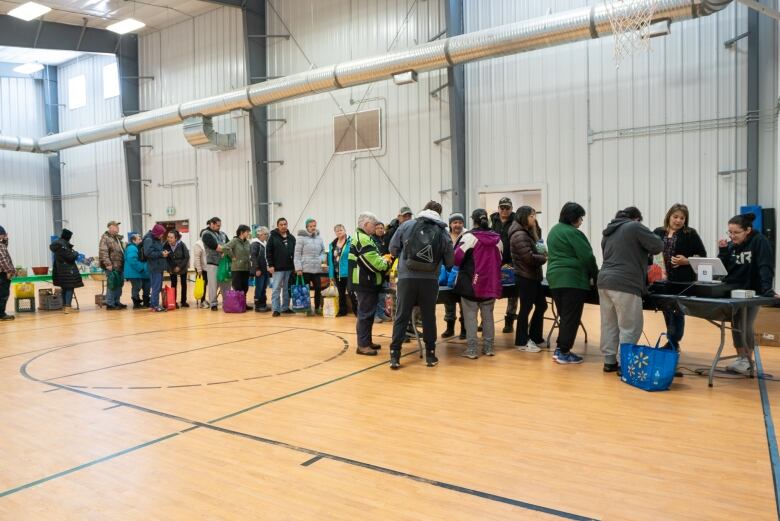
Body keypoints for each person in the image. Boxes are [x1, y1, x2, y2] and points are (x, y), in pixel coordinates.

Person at [388, 200, 454, 369]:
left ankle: (395, 355)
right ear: (439, 214)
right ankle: (430, 355)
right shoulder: (442, 230)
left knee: (402, 315)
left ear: (423, 209)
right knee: (428, 316)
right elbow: (449, 260)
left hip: (406, 277)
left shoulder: (407, 225)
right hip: (430, 280)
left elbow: (393, 248)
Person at [598, 207, 663, 373]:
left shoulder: (608, 232)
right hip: (625, 283)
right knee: (630, 325)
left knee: (609, 324)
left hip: (604, 281)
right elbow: (657, 246)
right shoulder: (634, 226)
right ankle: (625, 363)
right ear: (637, 218)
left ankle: (609, 361)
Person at [719, 213, 778, 374]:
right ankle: (741, 359)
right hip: (733, 292)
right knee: (736, 324)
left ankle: (747, 360)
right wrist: (723, 251)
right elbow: (724, 269)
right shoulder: (732, 245)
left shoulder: (760, 242)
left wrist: (767, 290)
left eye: (736, 232)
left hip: (752, 292)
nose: (732, 236)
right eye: (729, 232)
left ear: (748, 230)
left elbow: (765, 266)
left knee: (745, 324)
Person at [546, 202, 598, 365]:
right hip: (572, 280)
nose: (581, 221)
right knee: (571, 318)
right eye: (580, 217)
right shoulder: (574, 233)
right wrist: (595, 276)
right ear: (574, 218)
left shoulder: (554, 230)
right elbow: (588, 257)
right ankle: (564, 352)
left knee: (564, 316)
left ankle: (559, 349)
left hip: (555, 279)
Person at [653, 204, 707, 350]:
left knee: (678, 310)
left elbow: (702, 255)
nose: (678, 221)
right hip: (661, 279)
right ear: (669, 216)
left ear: (686, 220)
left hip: (681, 280)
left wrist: (686, 261)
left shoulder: (690, 233)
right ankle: (672, 340)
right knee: (666, 309)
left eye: (682, 218)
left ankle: (674, 341)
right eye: (675, 217)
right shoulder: (658, 232)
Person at [453, 209, 502, 358]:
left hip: (471, 283)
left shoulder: (469, 238)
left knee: (470, 316)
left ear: (473, 220)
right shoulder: (497, 239)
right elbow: (501, 259)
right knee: (488, 316)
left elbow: (456, 258)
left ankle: (472, 350)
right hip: (490, 283)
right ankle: (488, 348)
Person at [348, 212, 390, 355]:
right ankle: (363, 345)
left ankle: (367, 341)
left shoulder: (364, 237)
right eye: (374, 224)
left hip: (366, 281)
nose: (376, 227)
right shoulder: (363, 239)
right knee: (365, 314)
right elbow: (375, 264)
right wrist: (387, 262)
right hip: (364, 282)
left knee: (368, 314)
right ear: (366, 225)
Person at [509, 206, 548, 352]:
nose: (534, 218)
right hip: (525, 277)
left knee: (542, 305)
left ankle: (535, 337)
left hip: (533, 276)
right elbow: (528, 257)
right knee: (526, 308)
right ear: (524, 217)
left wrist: (536, 233)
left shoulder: (528, 232)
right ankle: (521, 341)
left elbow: (539, 248)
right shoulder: (519, 234)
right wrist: (543, 258)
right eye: (532, 216)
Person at [491, 197, 518, 333]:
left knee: (513, 293)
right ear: (498, 208)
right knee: (490, 291)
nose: (504, 210)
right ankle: (486, 321)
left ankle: (509, 321)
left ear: (511, 209)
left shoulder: (516, 221)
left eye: (507, 208)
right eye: (502, 207)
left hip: (511, 261)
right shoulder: (492, 221)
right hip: (495, 261)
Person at [294, 218, 326, 316]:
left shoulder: (319, 238)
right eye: (310, 226)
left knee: (318, 289)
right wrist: (298, 268)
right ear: (307, 227)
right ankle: (307, 308)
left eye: (314, 226)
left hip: (316, 269)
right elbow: (297, 254)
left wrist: (321, 259)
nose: (313, 228)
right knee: (305, 290)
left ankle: (317, 308)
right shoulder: (300, 239)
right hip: (305, 269)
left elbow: (323, 251)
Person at [267, 217, 296, 317]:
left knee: (287, 289)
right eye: (281, 224)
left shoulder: (292, 238)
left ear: (287, 225)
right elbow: (268, 252)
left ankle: (285, 307)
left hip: (289, 268)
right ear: (278, 226)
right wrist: (270, 265)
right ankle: (276, 309)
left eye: (285, 224)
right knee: (276, 289)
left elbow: (295, 253)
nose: (283, 226)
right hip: (277, 268)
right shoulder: (272, 237)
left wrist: (295, 266)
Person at [442, 212, 465, 339]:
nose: (458, 225)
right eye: (455, 222)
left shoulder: (467, 236)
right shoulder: (445, 236)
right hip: (448, 272)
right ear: (450, 224)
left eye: (460, 222)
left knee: (463, 303)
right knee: (449, 301)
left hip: (462, 274)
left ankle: (464, 329)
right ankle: (449, 328)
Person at [50, 229, 84, 314]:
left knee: (64, 288)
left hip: (60, 270)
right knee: (69, 288)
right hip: (68, 269)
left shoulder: (57, 244)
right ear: (68, 237)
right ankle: (68, 307)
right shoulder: (63, 245)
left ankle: (65, 306)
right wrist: (76, 253)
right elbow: (70, 257)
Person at [201, 217, 230, 311]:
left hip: (223, 262)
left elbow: (229, 245)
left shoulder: (223, 234)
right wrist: (225, 250)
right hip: (212, 263)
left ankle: (227, 302)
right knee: (213, 284)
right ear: (211, 224)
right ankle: (213, 303)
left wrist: (225, 250)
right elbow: (216, 247)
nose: (219, 227)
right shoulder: (206, 234)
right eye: (217, 225)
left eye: (220, 225)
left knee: (226, 282)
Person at [328, 224, 357, 317]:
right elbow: (330, 260)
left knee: (351, 292)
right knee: (341, 293)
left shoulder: (351, 242)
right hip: (337, 273)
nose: (339, 232)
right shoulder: (332, 244)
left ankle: (357, 311)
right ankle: (342, 310)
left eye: (341, 230)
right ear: (335, 233)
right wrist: (331, 275)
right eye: (337, 231)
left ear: (345, 231)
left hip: (348, 272)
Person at [98, 220, 126, 310]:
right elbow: (103, 252)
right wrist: (108, 264)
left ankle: (116, 301)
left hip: (120, 265)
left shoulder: (117, 238)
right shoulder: (105, 238)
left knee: (119, 284)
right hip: (111, 266)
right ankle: (110, 303)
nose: (118, 228)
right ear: (110, 227)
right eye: (116, 226)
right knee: (112, 285)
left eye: (118, 226)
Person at [221, 225, 252, 304]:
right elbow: (225, 248)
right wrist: (232, 256)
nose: (248, 234)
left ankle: (243, 304)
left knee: (245, 287)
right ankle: (238, 305)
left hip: (246, 268)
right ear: (241, 232)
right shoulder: (235, 241)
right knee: (238, 287)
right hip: (237, 268)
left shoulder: (247, 242)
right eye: (247, 232)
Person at [143, 224, 169, 312]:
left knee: (157, 287)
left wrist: (162, 252)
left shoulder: (155, 239)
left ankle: (154, 305)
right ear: (156, 233)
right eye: (161, 234)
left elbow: (155, 250)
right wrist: (161, 254)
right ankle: (155, 305)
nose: (162, 235)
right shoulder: (149, 239)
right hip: (154, 267)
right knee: (156, 287)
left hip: (158, 266)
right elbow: (148, 253)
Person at [164, 230, 190, 308]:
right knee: (173, 285)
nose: (169, 239)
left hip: (182, 267)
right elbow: (166, 259)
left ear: (176, 238)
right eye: (168, 237)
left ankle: (183, 301)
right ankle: (173, 302)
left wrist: (179, 267)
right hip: (172, 268)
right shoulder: (165, 246)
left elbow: (186, 257)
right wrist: (171, 269)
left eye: (171, 237)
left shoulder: (182, 245)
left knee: (183, 284)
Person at [124, 233, 150, 309]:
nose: (141, 240)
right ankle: (136, 303)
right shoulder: (132, 248)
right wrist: (140, 268)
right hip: (133, 271)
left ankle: (137, 302)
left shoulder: (134, 247)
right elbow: (132, 260)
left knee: (137, 286)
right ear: (133, 240)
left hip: (133, 272)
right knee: (136, 287)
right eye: (139, 239)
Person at [372, 222, 392, 323]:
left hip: (385, 271)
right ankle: (375, 315)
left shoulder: (385, 239)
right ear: (374, 229)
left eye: (382, 228)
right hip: (376, 272)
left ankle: (381, 313)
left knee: (383, 294)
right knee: (375, 294)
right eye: (378, 228)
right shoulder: (372, 240)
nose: (380, 229)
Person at [250, 227, 270, 312]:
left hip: (265, 270)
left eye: (267, 234)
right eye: (265, 234)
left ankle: (263, 304)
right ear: (259, 234)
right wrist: (257, 269)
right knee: (259, 288)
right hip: (259, 270)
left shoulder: (264, 243)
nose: (266, 236)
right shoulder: (255, 244)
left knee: (264, 288)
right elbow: (253, 257)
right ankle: (258, 306)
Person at [0, 226, 14, 320]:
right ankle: (1, 314)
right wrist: (9, 271)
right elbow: (3, 260)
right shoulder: (0, 246)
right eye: (4, 234)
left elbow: (5, 246)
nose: (5, 236)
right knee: (3, 294)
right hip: (2, 274)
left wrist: (5, 239)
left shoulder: (2, 244)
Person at [192, 236, 209, 309]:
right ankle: (202, 301)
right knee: (202, 285)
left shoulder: (207, 243)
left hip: (206, 268)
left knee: (205, 284)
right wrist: (199, 270)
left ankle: (203, 299)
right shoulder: (198, 244)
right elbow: (197, 258)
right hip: (201, 269)